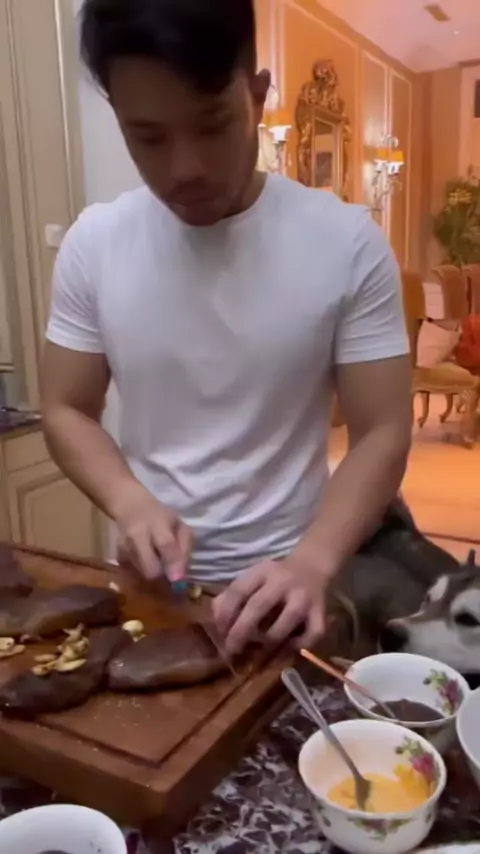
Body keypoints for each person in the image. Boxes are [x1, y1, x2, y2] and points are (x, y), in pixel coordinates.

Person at [41, 0, 411, 658]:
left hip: (294, 588)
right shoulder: (94, 245)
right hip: (154, 592)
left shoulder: (347, 243)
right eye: (148, 137)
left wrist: (313, 562)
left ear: (257, 95)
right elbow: (67, 408)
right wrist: (129, 502)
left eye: (212, 124)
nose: (184, 167)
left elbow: (381, 429)